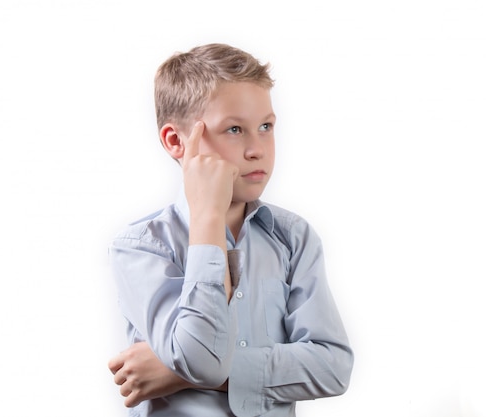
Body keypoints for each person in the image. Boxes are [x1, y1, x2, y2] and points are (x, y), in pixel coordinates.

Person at [107, 43, 354, 417]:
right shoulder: (142, 248)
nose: (258, 149)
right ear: (176, 142)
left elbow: (333, 366)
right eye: (235, 129)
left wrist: (178, 373)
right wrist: (208, 217)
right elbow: (204, 361)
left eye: (266, 127)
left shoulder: (293, 238)